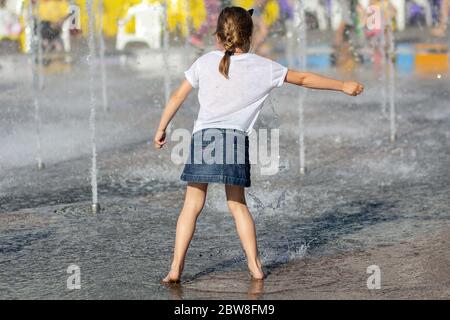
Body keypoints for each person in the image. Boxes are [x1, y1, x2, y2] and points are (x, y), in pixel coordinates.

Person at [154, 6, 364, 283]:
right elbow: (302, 78)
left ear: (218, 36)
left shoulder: (204, 62)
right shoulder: (264, 67)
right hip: (234, 139)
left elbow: (176, 97)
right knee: (237, 205)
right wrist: (342, 85)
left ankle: (175, 269)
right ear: (250, 36)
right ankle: (255, 267)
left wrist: (162, 128)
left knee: (191, 205)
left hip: (203, 139)